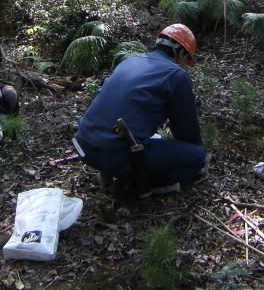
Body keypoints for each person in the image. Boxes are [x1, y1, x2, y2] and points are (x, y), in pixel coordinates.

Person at [74, 24, 208, 196]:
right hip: (117, 155)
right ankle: (133, 185)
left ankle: (113, 171)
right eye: (186, 60)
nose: (184, 66)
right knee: (197, 157)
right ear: (181, 54)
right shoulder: (176, 75)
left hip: (84, 145)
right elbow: (187, 134)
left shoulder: (129, 62)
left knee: (147, 143)